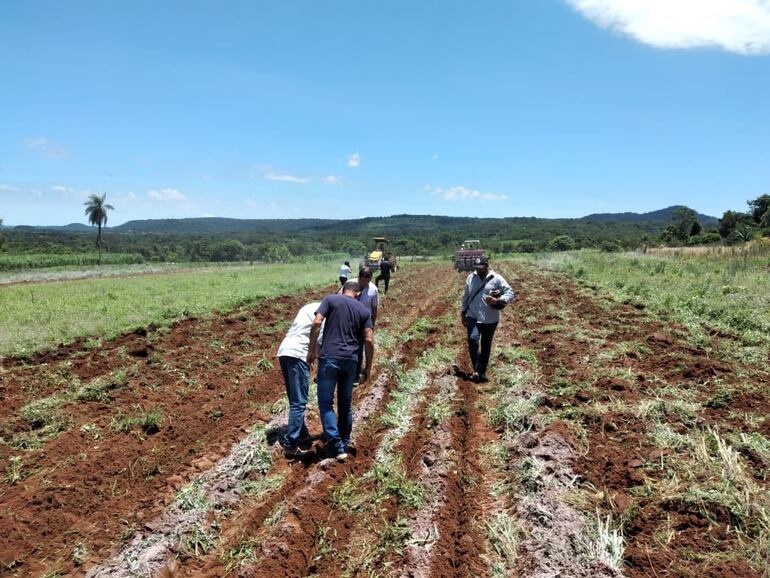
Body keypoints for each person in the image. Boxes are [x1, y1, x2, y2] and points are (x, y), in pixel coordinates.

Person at [308, 280, 374, 461]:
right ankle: (343, 443)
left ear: (343, 290)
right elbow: (368, 340)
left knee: (325, 403)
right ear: (359, 294)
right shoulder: (364, 311)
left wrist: (312, 350)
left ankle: (336, 446)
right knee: (345, 405)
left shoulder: (331, 299)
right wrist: (367, 367)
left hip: (329, 357)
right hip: (351, 361)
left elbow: (316, 322)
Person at [276, 301, 324, 458]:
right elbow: (318, 343)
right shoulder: (325, 315)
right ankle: (290, 446)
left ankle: (303, 434)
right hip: (299, 354)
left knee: (294, 398)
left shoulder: (309, 307)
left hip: (285, 350)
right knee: (299, 402)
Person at [460, 256, 514, 383]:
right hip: (473, 316)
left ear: (487, 265)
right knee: (473, 341)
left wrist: (499, 300)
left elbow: (510, 292)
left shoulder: (497, 279)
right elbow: (466, 296)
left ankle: (482, 371)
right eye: (477, 268)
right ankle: (476, 369)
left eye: (481, 268)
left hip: (490, 319)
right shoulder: (471, 277)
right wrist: (463, 312)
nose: (479, 270)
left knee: (486, 345)